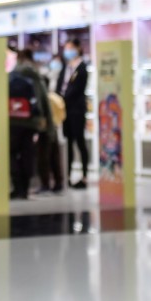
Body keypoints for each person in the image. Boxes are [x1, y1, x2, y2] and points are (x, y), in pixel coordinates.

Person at [9, 49, 52, 199]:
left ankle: (17, 185)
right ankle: (25, 188)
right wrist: (45, 121)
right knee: (28, 153)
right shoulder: (36, 75)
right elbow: (43, 100)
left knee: (12, 152)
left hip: (13, 120)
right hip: (31, 121)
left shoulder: (13, 74)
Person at [58, 38, 90, 189]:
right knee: (68, 143)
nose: (68, 51)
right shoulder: (66, 67)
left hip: (76, 110)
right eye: (66, 48)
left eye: (70, 47)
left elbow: (76, 90)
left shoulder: (82, 68)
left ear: (77, 48)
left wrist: (64, 98)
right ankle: (68, 175)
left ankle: (84, 176)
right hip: (65, 111)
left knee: (80, 142)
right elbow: (60, 86)